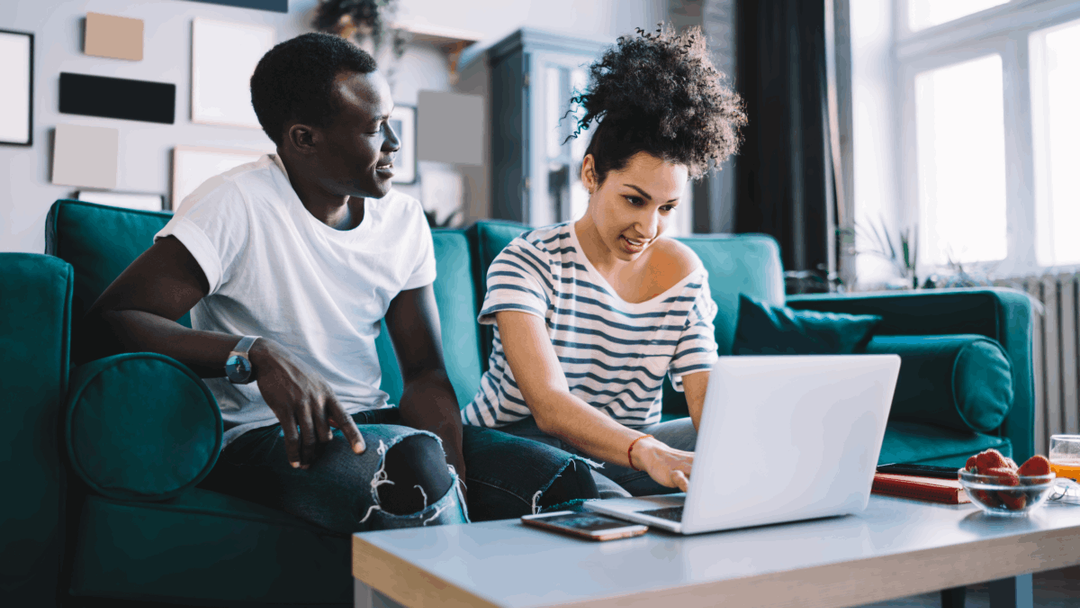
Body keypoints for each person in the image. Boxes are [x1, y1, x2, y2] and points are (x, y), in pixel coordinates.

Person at [83, 32, 596, 533]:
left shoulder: (402, 221)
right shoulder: (234, 203)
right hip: (264, 438)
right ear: (304, 139)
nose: (395, 143)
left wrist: (454, 471)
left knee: (563, 481)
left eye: (391, 121)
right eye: (376, 128)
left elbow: (423, 374)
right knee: (411, 468)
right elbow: (114, 319)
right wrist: (253, 353)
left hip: (376, 424)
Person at [462, 25, 747, 498]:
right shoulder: (527, 263)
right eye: (634, 200)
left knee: (737, 449)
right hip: (516, 444)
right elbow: (549, 406)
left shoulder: (684, 275)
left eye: (667, 208)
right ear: (591, 174)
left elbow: (707, 402)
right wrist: (647, 452)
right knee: (612, 506)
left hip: (622, 448)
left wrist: (748, 450)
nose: (649, 227)